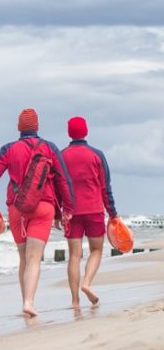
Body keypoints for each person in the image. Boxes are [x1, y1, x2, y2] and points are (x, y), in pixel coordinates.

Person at [0, 108, 74, 317]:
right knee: (34, 258)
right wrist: (68, 209)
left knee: (23, 257)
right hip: (44, 207)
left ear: (19, 127)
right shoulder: (49, 148)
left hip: (17, 208)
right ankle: (29, 302)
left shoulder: (9, 149)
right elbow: (63, 180)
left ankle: (25, 301)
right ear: (37, 126)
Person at [61, 116, 118, 308]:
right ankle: (87, 284)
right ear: (86, 132)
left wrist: (58, 211)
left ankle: (75, 301)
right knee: (96, 250)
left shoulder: (61, 156)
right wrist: (113, 212)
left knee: (74, 255)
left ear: (69, 133)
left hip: (71, 212)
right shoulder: (97, 155)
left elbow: (58, 187)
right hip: (94, 210)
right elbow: (105, 187)